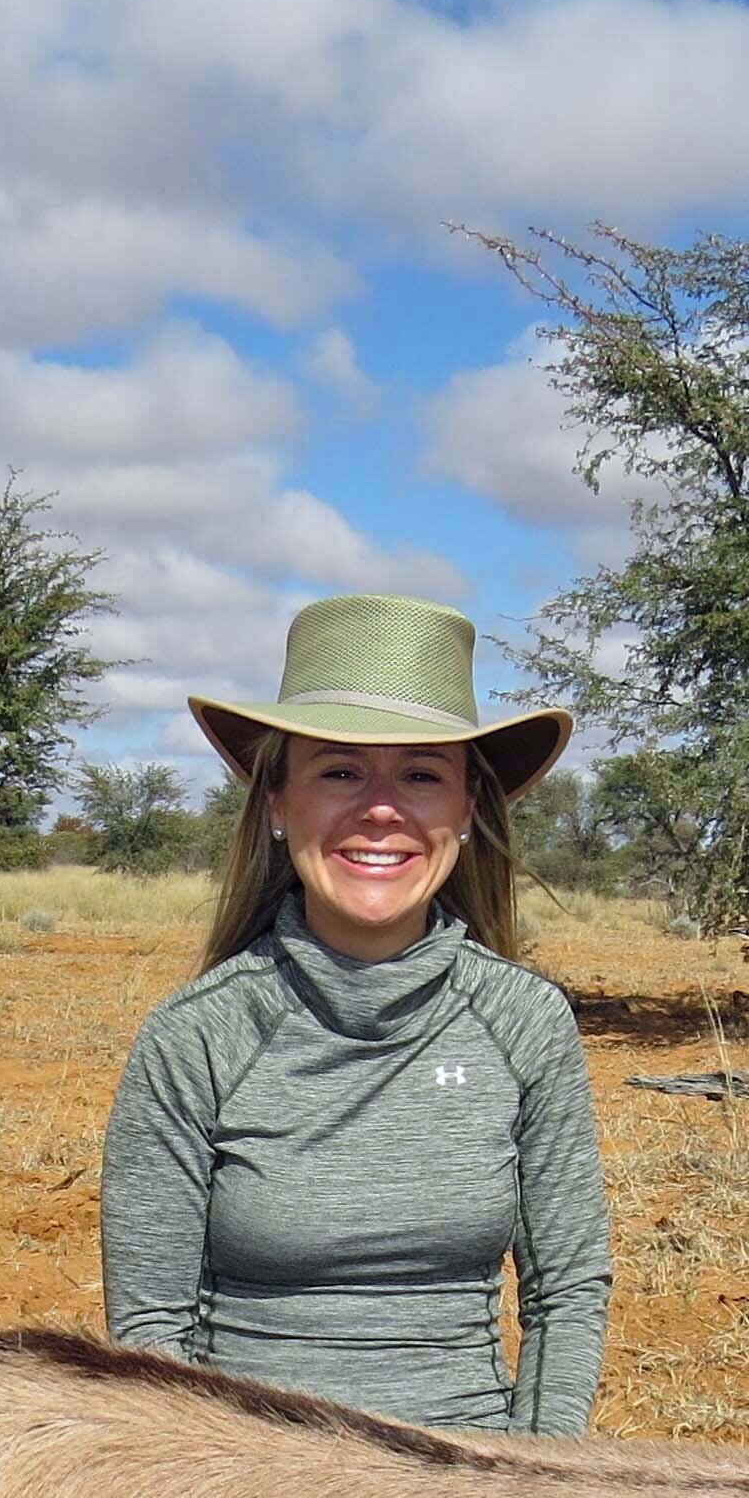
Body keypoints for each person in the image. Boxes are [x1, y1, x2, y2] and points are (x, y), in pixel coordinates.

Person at [99, 591, 611, 1434]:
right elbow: (153, 1335)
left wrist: (534, 1490)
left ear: (466, 811)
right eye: (339, 771)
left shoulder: (524, 1021)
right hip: (252, 1489)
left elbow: (567, 1293)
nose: (381, 809)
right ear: (276, 803)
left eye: (421, 774)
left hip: (472, 1488)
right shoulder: (194, 1036)